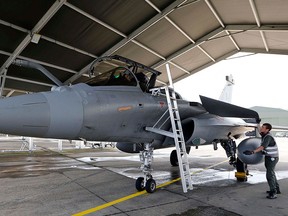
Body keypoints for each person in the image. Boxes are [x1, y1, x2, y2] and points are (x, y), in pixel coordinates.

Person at [243, 123, 280, 199]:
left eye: (263, 127)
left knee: (269, 175)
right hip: (269, 157)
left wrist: (252, 152)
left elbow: (262, 147)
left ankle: (273, 192)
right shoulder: (264, 134)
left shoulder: (268, 137)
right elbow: (259, 130)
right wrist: (257, 123)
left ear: (267, 129)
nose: (261, 128)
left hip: (272, 158)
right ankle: (277, 189)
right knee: (271, 173)